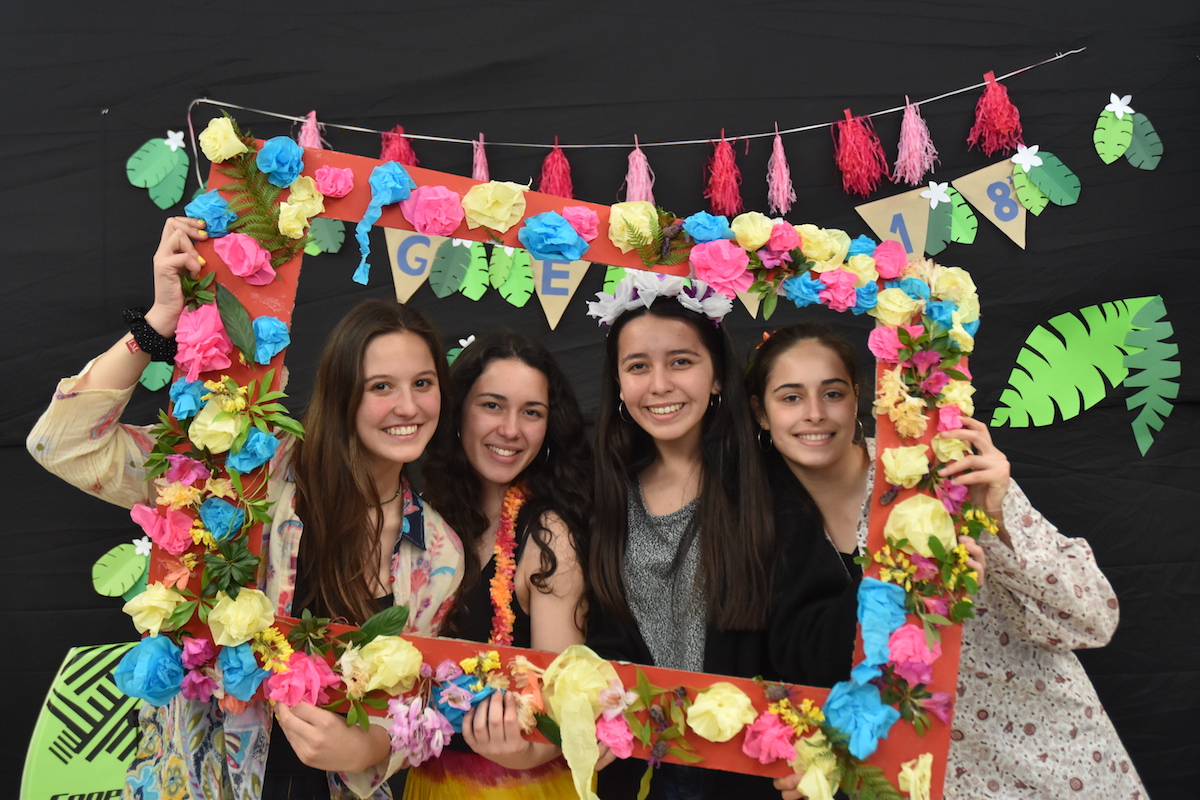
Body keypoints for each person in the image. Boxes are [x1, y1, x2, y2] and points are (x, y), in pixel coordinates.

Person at [27, 217, 464, 800]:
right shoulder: (246, 467)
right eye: (380, 386)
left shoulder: (439, 552)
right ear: (341, 392)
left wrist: (371, 748)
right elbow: (63, 445)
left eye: (423, 383)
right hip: (206, 776)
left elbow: (414, 702)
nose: (407, 406)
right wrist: (158, 323)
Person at [744, 322, 1148, 800]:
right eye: (791, 397)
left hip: (1055, 757)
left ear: (857, 399)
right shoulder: (757, 525)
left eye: (832, 393)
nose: (814, 413)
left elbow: (1092, 620)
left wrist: (996, 516)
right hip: (921, 778)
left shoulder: (942, 473)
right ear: (761, 413)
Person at [584, 273, 805, 800]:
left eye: (681, 361)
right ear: (619, 383)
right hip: (635, 773)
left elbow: (805, 632)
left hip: (748, 773)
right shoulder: (600, 493)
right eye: (638, 366)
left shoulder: (772, 485)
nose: (659, 385)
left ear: (718, 377)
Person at [412, 329, 591, 798]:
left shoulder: (549, 536)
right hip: (426, 776)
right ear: (457, 411)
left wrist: (523, 753)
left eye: (532, 412)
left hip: (522, 785)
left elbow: (562, 704)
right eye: (492, 405)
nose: (511, 430)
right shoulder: (424, 517)